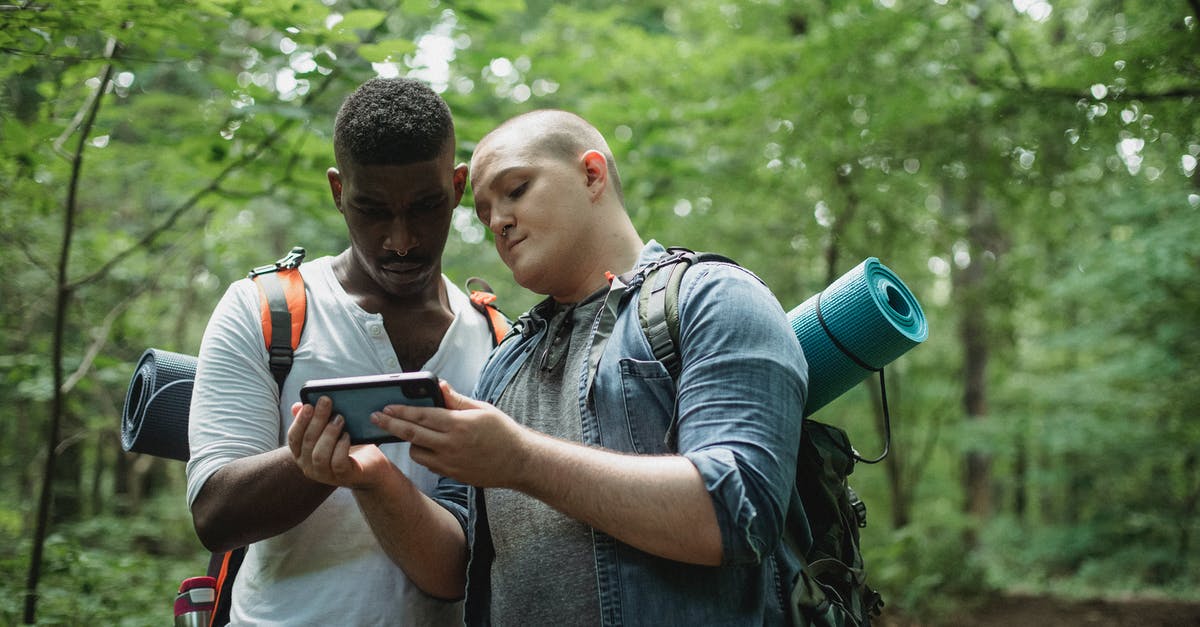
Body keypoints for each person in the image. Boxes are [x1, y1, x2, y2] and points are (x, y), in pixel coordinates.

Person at [290, 109, 809, 624]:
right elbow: (454, 572)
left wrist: (520, 460)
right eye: (485, 211)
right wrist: (372, 481)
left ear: (591, 174)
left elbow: (740, 512)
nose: (498, 221)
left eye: (516, 190)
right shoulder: (504, 362)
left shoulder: (711, 298)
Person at [185, 77, 495, 625]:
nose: (400, 240)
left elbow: (481, 553)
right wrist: (315, 465)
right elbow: (214, 513)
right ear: (336, 191)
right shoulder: (263, 311)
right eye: (371, 209)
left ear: (458, 186)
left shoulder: (495, 339)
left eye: (425, 206)